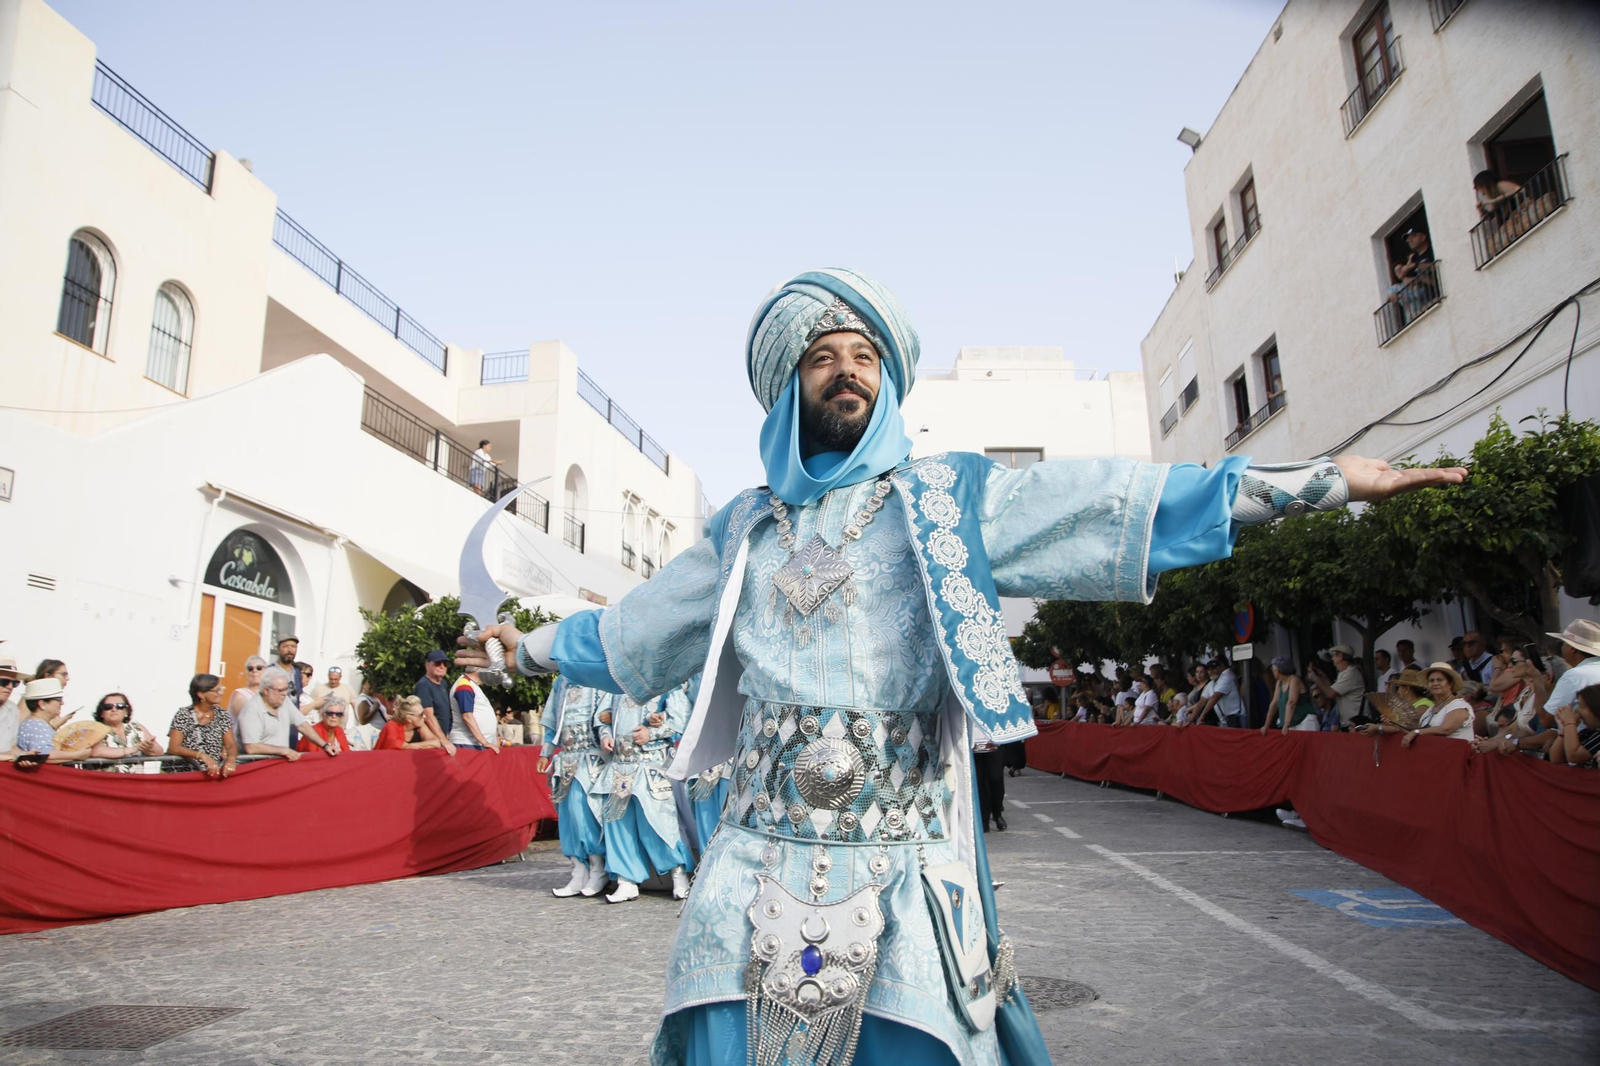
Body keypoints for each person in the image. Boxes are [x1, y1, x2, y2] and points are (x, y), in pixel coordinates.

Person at [457, 267, 1462, 1065]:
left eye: (862, 355)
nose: (844, 369)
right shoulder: (743, 530)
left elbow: (1116, 500)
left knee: (919, 1035)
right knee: (723, 1018)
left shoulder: (950, 501)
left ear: (887, 378)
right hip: (758, 842)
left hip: (906, 849)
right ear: (786, 385)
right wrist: (530, 644)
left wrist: (1329, 481)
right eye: (820, 357)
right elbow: (634, 631)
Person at [591, 687, 691, 904]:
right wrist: (605, 735)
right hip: (619, 765)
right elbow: (602, 717)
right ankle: (626, 880)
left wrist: (652, 733)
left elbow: (682, 719)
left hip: (651, 764)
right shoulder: (616, 683)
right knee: (617, 822)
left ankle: (678, 873)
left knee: (658, 822)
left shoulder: (666, 682)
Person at [539, 677, 609, 898]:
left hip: (591, 755)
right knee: (567, 814)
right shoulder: (562, 682)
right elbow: (553, 720)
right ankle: (578, 869)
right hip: (566, 757)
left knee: (584, 812)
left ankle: (598, 867)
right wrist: (546, 751)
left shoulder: (600, 674)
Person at [239, 665, 338, 761]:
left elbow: (302, 725)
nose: (284, 693)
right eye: (280, 690)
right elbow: (251, 747)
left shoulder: (284, 701)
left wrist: (325, 745)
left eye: (286, 689)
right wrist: (283, 751)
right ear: (266, 690)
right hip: (255, 767)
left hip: (277, 764)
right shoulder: (252, 710)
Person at [167, 673, 238, 777]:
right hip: (183, 774)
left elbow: (231, 744)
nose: (221, 693)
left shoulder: (222, 715)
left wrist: (231, 759)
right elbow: (174, 747)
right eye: (217, 690)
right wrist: (201, 756)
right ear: (201, 694)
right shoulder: (184, 715)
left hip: (210, 774)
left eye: (221, 688)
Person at [77, 692, 163, 770]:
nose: (114, 709)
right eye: (108, 707)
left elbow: (159, 751)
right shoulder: (93, 729)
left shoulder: (137, 728)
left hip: (134, 783)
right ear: (101, 713)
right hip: (103, 783)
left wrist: (149, 747)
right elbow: (95, 751)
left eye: (120, 706)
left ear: (126, 711)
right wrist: (132, 749)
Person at [1541, 620, 1600, 730]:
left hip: (1583, 742)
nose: (1562, 648)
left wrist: (1536, 680)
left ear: (1571, 648)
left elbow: (1545, 721)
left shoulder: (1574, 675)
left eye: (1563, 643)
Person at [1396, 663, 1474, 744]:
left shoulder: (1459, 705)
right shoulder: (1429, 710)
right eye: (1431, 680)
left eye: (1440, 680)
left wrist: (1416, 732)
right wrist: (1395, 725)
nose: (1435, 683)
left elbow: (1445, 729)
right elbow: (1420, 730)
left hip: (1457, 754)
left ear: (1450, 683)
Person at [413, 651, 458, 756]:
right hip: (430, 743)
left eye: (445, 664)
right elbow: (428, 716)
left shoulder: (443, 684)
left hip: (441, 739)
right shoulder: (424, 685)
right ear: (427, 665)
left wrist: (445, 736)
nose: (442, 666)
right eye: (437, 663)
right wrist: (444, 740)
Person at [448, 666, 500, 751]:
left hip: (474, 743)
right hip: (468, 744)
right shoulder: (464, 684)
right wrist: (484, 742)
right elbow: (467, 716)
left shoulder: (471, 685)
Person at [1311, 645, 1364, 730]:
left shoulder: (1350, 673)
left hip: (1356, 724)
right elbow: (1332, 688)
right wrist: (1322, 676)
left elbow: (1331, 694)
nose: (1332, 659)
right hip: (1349, 723)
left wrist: (1316, 678)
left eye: (1334, 656)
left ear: (1340, 657)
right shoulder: (1343, 673)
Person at [1548, 685, 1600, 768]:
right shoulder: (1587, 733)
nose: (1576, 710)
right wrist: (1564, 730)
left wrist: (1570, 722)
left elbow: (1574, 756)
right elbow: (1556, 759)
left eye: (1582, 706)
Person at [1261, 657, 1318, 733]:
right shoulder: (1279, 682)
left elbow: (1292, 702)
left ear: (1278, 670)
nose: (1272, 671)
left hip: (1304, 721)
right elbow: (1274, 704)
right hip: (1292, 724)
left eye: (1273, 669)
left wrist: (1286, 724)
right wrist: (1266, 726)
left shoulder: (1294, 679)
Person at [375, 696, 444, 750]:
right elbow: (396, 745)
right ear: (409, 718)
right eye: (421, 714)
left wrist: (411, 746)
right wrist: (422, 745)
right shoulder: (392, 726)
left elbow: (436, 743)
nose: (424, 716)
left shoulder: (419, 725)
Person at [0, 656, 26, 755]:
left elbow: (12, 748)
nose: (10, 687)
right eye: (4, 682)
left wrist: (25, 756)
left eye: (14, 683)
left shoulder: (13, 709)